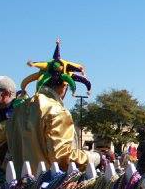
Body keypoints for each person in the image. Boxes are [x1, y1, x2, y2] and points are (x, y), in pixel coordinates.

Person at [7, 41, 99, 175]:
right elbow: (63, 159)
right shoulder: (57, 111)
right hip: (46, 185)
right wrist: (95, 157)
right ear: (65, 85)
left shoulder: (18, 110)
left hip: (16, 184)